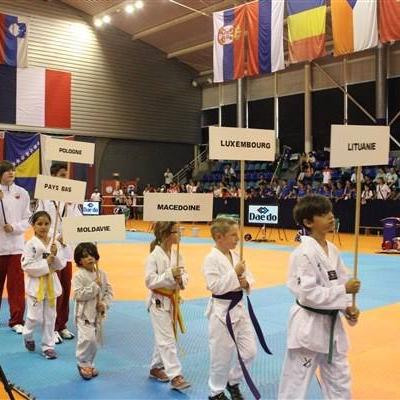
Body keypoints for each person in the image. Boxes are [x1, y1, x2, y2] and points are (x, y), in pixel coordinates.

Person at [278, 195, 361, 400]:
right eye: (323, 214)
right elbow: (308, 295)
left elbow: (342, 280)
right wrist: (343, 290)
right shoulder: (303, 254)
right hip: (309, 326)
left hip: (332, 327)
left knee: (340, 378)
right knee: (296, 381)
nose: (331, 217)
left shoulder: (332, 250)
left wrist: (348, 308)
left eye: (330, 212)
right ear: (308, 222)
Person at [203, 217, 270, 400]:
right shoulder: (211, 259)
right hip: (221, 312)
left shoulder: (236, 255)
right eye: (233, 235)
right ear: (219, 237)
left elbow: (250, 278)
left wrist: (245, 281)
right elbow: (214, 286)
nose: (237, 239)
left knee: (249, 352)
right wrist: (235, 274)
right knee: (221, 356)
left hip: (240, 309)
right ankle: (215, 392)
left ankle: (233, 381)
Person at [36, 162, 81, 343]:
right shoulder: (45, 197)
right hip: (50, 249)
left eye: (67, 175)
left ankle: (62, 325)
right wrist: (53, 240)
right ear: (54, 176)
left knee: (65, 287)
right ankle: (51, 328)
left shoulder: (71, 197)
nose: (66, 179)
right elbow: (40, 222)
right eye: (62, 175)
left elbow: (78, 220)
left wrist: (71, 205)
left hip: (66, 249)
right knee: (52, 290)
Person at [145, 222, 190, 391]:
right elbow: (150, 281)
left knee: (164, 337)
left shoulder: (177, 255)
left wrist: (181, 279)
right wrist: (170, 275)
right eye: (176, 232)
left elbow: (185, 275)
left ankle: (156, 367)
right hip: (158, 302)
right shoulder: (153, 257)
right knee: (167, 340)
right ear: (165, 235)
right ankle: (175, 375)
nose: (180, 235)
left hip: (172, 301)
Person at [21, 211, 67, 359]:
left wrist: (56, 255)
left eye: (46, 224)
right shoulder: (30, 244)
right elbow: (26, 266)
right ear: (33, 226)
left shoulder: (55, 243)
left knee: (50, 317)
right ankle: (27, 334)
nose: (43, 227)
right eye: (39, 224)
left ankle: (48, 346)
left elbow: (61, 265)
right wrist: (46, 263)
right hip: (36, 286)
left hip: (51, 285)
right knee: (34, 318)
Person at [72, 242, 113, 380]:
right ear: (79, 261)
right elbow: (78, 294)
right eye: (85, 256)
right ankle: (82, 362)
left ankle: (89, 363)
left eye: (91, 255)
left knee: (94, 342)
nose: (89, 258)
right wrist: (94, 286)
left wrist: (105, 304)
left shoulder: (102, 274)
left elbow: (108, 292)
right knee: (86, 339)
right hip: (84, 316)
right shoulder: (79, 276)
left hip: (97, 316)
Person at [0, 160, 31, 334]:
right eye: (7, 171)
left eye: (13, 170)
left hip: (16, 247)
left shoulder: (22, 193)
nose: (11, 173)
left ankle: (17, 319)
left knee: (17, 286)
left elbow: (28, 219)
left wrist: (15, 228)